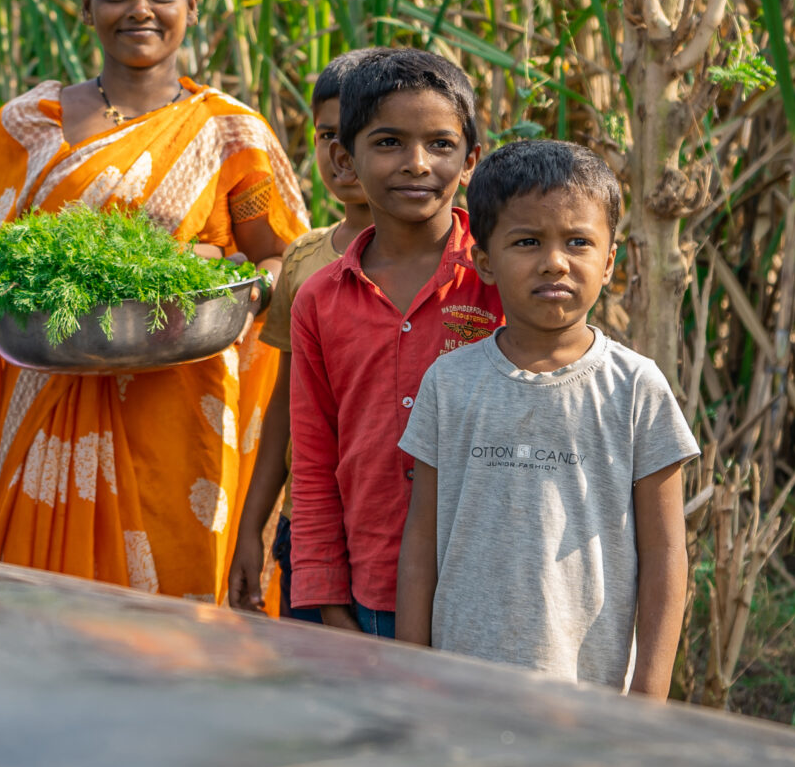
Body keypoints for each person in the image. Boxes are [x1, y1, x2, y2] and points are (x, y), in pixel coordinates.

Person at [0, 0, 308, 599]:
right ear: (86, 6)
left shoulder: (233, 134)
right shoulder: (27, 126)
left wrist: (216, 283)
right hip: (51, 402)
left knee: (178, 616)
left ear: (192, 6)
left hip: (182, 408)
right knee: (45, 612)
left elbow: (282, 260)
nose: (139, 11)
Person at [394, 138, 698, 694]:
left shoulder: (635, 388)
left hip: (589, 690)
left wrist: (650, 695)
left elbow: (665, 553)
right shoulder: (450, 382)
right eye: (527, 241)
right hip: (460, 686)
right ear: (484, 261)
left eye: (578, 242)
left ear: (609, 263)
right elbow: (421, 542)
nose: (554, 261)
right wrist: (414, 670)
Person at [286, 50, 497, 636]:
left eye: (440, 144)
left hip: (492, 578)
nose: (417, 164)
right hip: (371, 585)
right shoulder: (321, 300)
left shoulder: (501, 277)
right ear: (343, 158)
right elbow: (314, 458)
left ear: (471, 159)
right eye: (388, 143)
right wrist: (327, 595)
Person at [227, 47, 386, 617]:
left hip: (407, 531)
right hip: (312, 526)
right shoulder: (303, 260)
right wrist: (254, 527)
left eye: (369, 135)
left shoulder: (463, 268)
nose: (342, 154)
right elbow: (285, 408)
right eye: (326, 136)